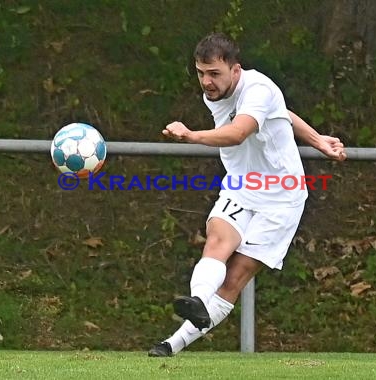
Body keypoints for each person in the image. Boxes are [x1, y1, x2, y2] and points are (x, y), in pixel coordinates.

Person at [148, 32, 346, 357]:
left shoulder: (258, 88)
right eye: (201, 73)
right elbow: (282, 111)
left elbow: (240, 132)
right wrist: (317, 139)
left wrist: (191, 135)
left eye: (214, 74)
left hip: (283, 197)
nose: (207, 82)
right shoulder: (217, 94)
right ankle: (197, 301)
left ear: (235, 69)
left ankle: (174, 344)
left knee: (234, 277)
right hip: (242, 185)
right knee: (217, 241)